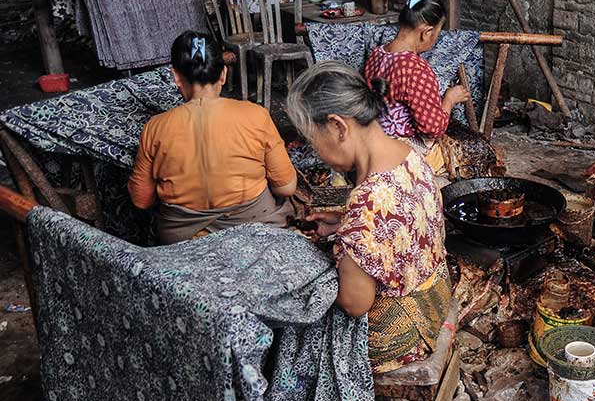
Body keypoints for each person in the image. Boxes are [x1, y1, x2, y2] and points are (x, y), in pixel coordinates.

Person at [286, 61, 451, 373]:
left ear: (338, 127)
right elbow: (398, 222)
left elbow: (355, 303)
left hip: (398, 333)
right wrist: (343, 226)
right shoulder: (407, 153)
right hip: (436, 295)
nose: (316, 153)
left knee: (289, 342)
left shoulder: (367, 204)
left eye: (312, 141)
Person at [128, 31, 297, 245]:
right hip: (255, 227)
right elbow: (286, 187)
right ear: (223, 74)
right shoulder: (255, 115)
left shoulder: (155, 127)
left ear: (176, 76)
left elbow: (141, 200)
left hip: (182, 240)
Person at [362, 0, 498, 180]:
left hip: (373, 142)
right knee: (477, 152)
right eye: (437, 34)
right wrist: (450, 99)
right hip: (402, 152)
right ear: (426, 33)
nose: (435, 41)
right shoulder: (415, 68)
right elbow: (432, 128)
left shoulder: (376, 55)